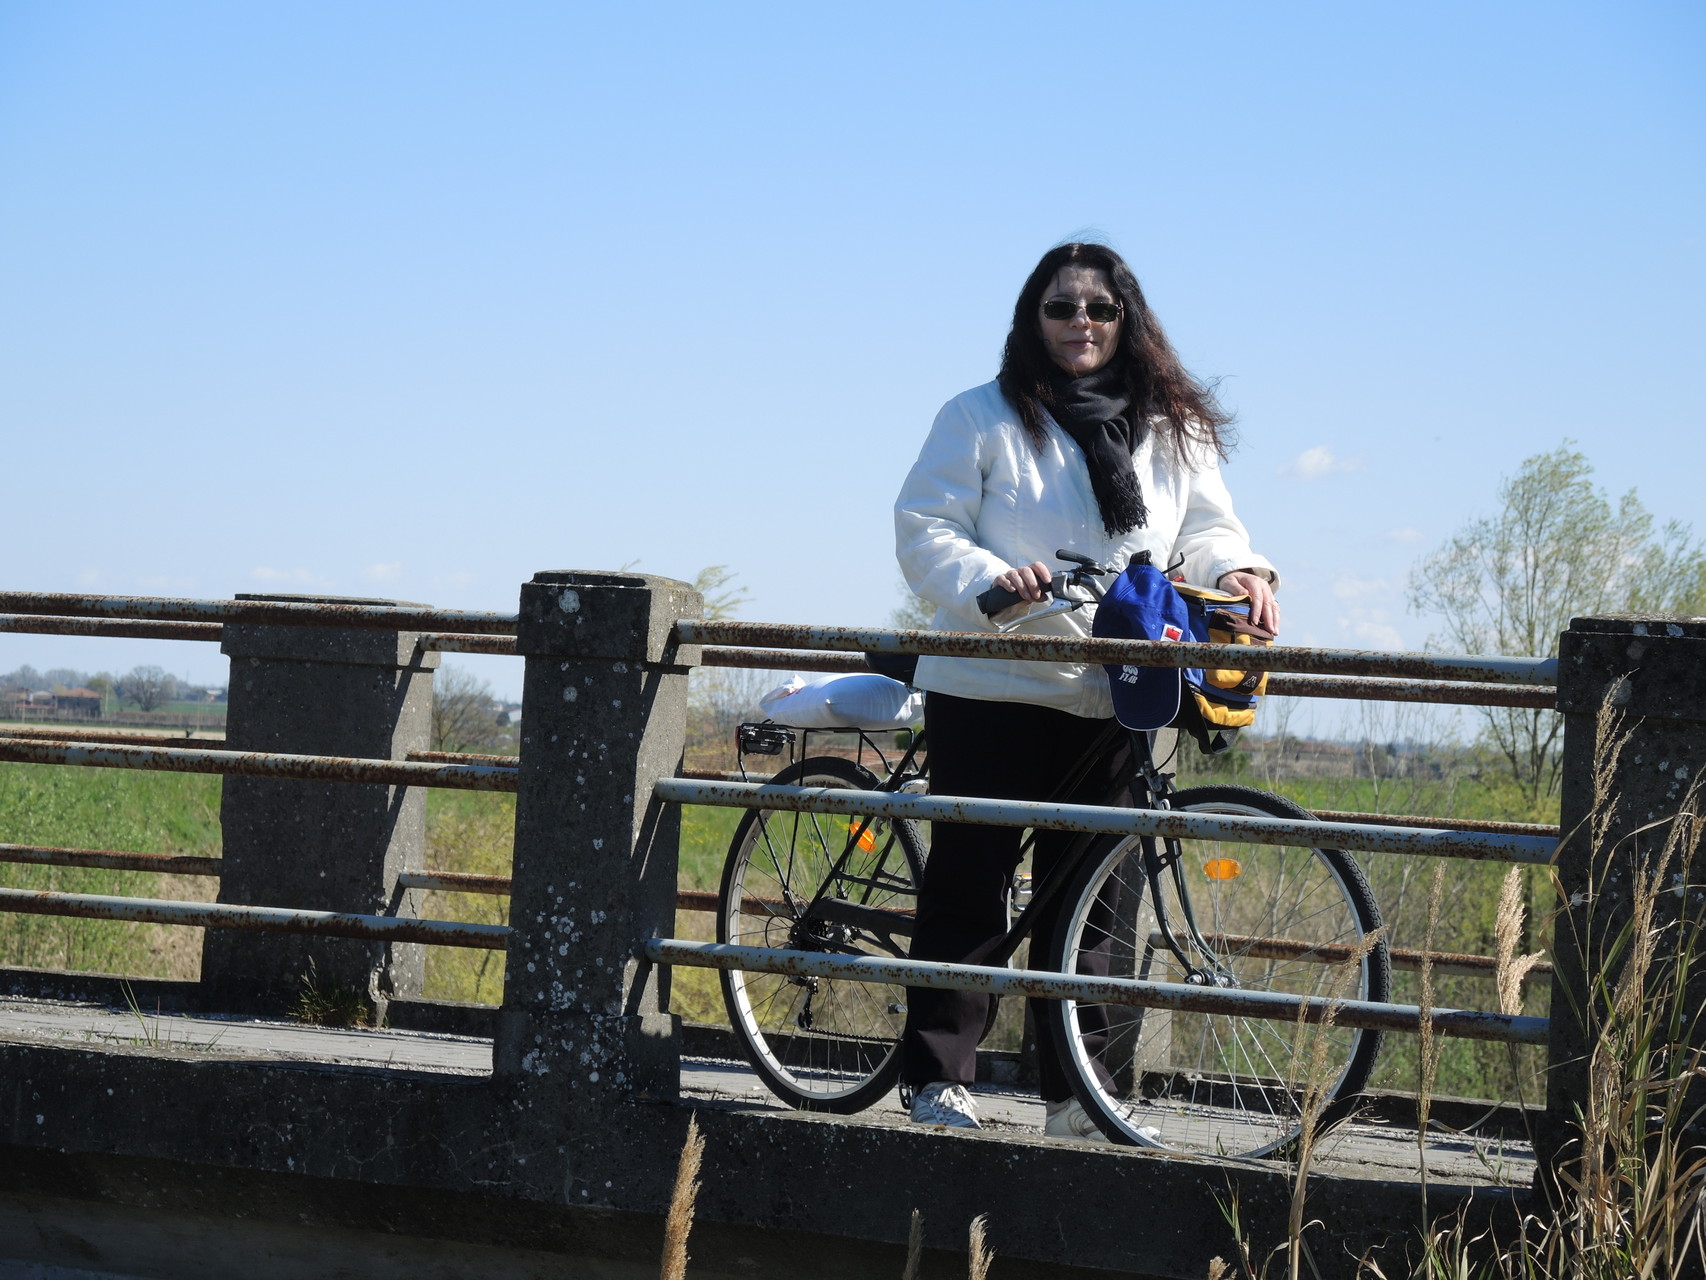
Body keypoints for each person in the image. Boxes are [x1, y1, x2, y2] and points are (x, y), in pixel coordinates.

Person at [892, 241, 1280, 1137]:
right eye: (1061, 308)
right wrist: (994, 581)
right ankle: (940, 1078)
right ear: (1033, 319)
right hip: (995, 679)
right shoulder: (979, 417)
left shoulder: (1172, 428)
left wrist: (1246, 571)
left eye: (1099, 310)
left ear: (1126, 321)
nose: (1081, 324)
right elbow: (925, 527)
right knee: (970, 884)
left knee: (1098, 901)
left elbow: (1210, 532)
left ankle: (1082, 1096)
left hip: (1118, 688)